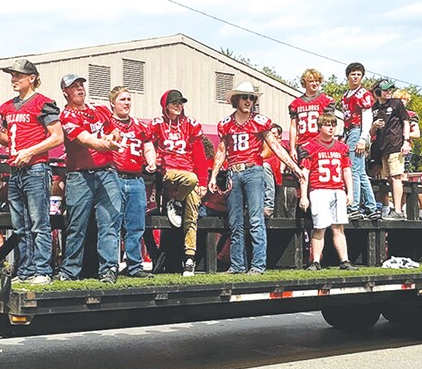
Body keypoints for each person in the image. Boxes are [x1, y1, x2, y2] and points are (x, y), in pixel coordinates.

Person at [209, 82, 305, 275]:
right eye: (245, 97)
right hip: (234, 172)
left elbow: (276, 146)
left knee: (255, 219)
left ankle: (258, 265)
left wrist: (294, 167)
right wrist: (213, 176)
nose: (248, 101)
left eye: (251, 98)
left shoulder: (260, 121)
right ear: (236, 100)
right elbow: (221, 151)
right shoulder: (226, 124)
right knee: (235, 221)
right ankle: (237, 265)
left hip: (254, 171)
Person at [0, 59, 64, 285]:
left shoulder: (43, 103)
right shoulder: (6, 107)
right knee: (20, 225)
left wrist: (30, 152)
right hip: (16, 169)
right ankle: (25, 270)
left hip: (36, 168)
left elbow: (57, 136)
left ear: (31, 78)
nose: (14, 80)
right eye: (12, 76)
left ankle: (42, 270)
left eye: (18, 76)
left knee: (38, 222)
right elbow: (10, 139)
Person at [57, 73, 123, 284]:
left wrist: (112, 138)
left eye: (81, 85)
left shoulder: (100, 109)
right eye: (74, 86)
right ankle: (69, 271)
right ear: (65, 92)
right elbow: (87, 141)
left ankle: (109, 270)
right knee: (76, 225)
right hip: (79, 175)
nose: (79, 89)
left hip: (107, 172)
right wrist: (106, 143)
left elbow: (115, 132)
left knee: (109, 222)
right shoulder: (66, 116)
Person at [150, 89, 208, 276]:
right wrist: (152, 160)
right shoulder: (157, 124)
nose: (178, 105)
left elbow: (199, 155)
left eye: (181, 102)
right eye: (174, 102)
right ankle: (175, 202)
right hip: (168, 173)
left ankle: (189, 258)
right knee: (191, 179)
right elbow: (147, 143)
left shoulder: (190, 125)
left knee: (192, 212)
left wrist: (204, 182)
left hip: (188, 174)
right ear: (165, 105)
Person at [106, 86, 157, 278]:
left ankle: (134, 266)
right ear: (113, 103)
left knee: (136, 226)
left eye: (129, 99)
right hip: (114, 177)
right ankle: (110, 267)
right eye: (122, 100)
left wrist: (151, 161)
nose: (127, 103)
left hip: (136, 179)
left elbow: (148, 146)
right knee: (112, 224)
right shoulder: (107, 123)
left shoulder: (140, 125)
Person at [299, 112, 356, 271]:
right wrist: (304, 195)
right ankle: (315, 261)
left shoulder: (341, 147)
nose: (331, 128)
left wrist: (350, 192)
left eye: (333, 125)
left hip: (337, 190)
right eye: (327, 125)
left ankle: (345, 260)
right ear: (320, 127)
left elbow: (346, 170)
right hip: (319, 189)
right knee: (320, 227)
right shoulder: (311, 146)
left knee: (338, 227)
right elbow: (305, 172)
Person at [341, 62, 380, 220]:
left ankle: (354, 206)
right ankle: (371, 207)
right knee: (361, 172)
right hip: (349, 131)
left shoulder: (363, 94)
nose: (356, 77)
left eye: (359, 74)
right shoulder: (346, 95)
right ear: (348, 76)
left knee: (353, 171)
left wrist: (363, 138)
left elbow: (367, 116)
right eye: (353, 74)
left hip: (358, 131)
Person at [369, 78, 409, 220]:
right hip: (382, 148)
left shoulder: (396, 103)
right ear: (377, 92)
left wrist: (406, 141)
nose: (389, 92)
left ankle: (398, 210)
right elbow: (371, 133)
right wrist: (374, 126)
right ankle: (393, 208)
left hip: (396, 145)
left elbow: (406, 122)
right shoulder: (374, 108)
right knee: (389, 178)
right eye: (385, 89)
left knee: (396, 176)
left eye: (390, 89)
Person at [288, 68, 336, 158]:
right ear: (304, 83)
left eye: (317, 81)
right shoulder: (296, 103)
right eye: (311, 81)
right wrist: (292, 148)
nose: (315, 83)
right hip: (303, 144)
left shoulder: (326, 100)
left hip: (320, 144)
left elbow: (330, 124)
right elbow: (293, 127)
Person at [261, 125, 285, 217]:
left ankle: (268, 204)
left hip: (273, 170)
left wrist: (282, 169)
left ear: (279, 137)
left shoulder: (281, 147)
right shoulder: (263, 146)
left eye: (274, 134)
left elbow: (284, 160)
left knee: (265, 166)